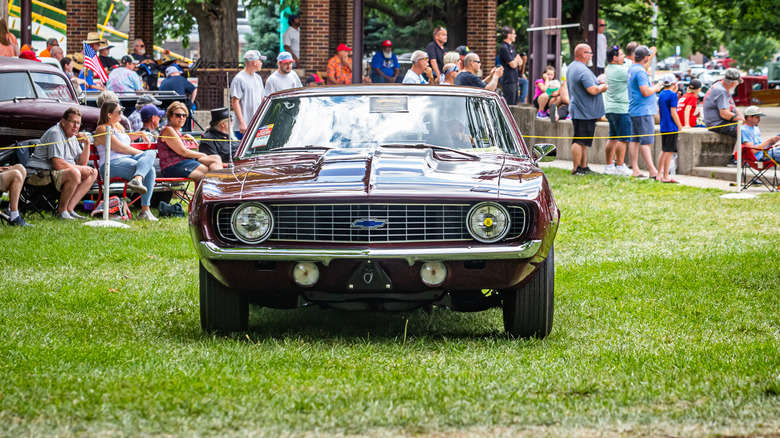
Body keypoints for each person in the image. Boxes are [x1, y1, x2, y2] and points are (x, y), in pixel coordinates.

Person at [26, 108, 98, 220]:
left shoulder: (72, 136)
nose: (76, 126)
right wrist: (79, 169)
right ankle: (61, 211)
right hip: (37, 174)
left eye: (78, 123)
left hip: (55, 174)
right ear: (63, 122)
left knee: (93, 173)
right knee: (75, 173)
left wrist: (87, 143)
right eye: (73, 122)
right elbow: (58, 164)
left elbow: (82, 163)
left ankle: (69, 209)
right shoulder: (56, 133)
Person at [93, 101, 158, 220]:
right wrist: (143, 155)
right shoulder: (102, 129)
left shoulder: (118, 127)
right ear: (109, 114)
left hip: (126, 161)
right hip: (110, 165)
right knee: (148, 166)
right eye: (119, 111)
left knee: (151, 156)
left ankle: (138, 181)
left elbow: (126, 139)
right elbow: (121, 148)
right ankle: (144, 210)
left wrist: (141, 133)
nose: (122, 113)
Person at [568, 43, 608, 175]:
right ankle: (576, 168)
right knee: (579, 140)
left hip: (581, 110)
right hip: (583, 111)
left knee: (584, 140)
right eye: (590, 53)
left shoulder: (572, 67)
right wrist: (602, 87)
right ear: (583, 54)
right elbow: (592, 90)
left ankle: (583, 166)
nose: (591, 55)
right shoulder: (582, 70)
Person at [157, 101, 222, 182]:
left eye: (184, 115)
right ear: (170, 116)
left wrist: (185, 136)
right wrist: (203, 155)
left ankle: (217, 187)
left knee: (216, 158)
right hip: (173, 166)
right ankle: (218, 188)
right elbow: (183, 152)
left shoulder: (177, 132)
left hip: (186, 162)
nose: (181, 118)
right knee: (211, 175)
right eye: (178, 115)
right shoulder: (168, 130)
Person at [627, 45, 663, 179]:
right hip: (644, 111)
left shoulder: (633, 68)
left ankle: (636, 169)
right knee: (645, 141)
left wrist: (652, 54)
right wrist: (656, 87)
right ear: (645, 58)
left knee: (634, 140)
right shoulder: (641, 72)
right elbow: (645, 91)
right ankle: (653, 171)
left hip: (635, 109)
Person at [703, 68, 744, 166]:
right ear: (733, 83)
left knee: (747, 127)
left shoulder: (721, 87)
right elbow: (724, 114)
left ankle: (742, 156)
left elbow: (733, 108)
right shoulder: (721, 91)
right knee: (744, 131)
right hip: (717, 124)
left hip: (718, 122)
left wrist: (742, 118)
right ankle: (734, 158)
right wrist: (740, 120)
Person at [602, 45, 632, 176]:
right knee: (623, 139)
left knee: (613, 137)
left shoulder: (609, 69)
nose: (624, 56)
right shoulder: (620, 70)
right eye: (621, 54)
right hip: (621, 109)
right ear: (614, 58)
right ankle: (619, 166)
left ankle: (609, 166)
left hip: (611, 108)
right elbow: (636, 72)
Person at [230, 50, 266, 139]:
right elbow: (235, 102)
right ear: (254, 62)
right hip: (243, 127)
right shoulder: (239, 79)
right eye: (260, 61)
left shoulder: (258, 78)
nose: (261, 63)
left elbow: (262, 100)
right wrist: (242, 123)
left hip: (257, 125)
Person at [656, 74, 683, 183]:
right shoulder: (672, 96)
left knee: (663, 150)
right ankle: (666, 175)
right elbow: (673, 113)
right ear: (674, 84)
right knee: (669, 151)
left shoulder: (662, 94)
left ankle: (659, 174)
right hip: (671, 127)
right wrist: (680, 126)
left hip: (663, 126)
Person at [498, 26, 523, 105]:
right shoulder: (504, 47)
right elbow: (512, 64)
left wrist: (515, 61)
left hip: (514, 79)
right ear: (509, 35)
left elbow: (520, 62)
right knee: (510, 104)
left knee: (515, 102)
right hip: (508, 79)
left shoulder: (511, 47)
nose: (515, 35)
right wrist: (516, 60)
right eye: (514, 33)